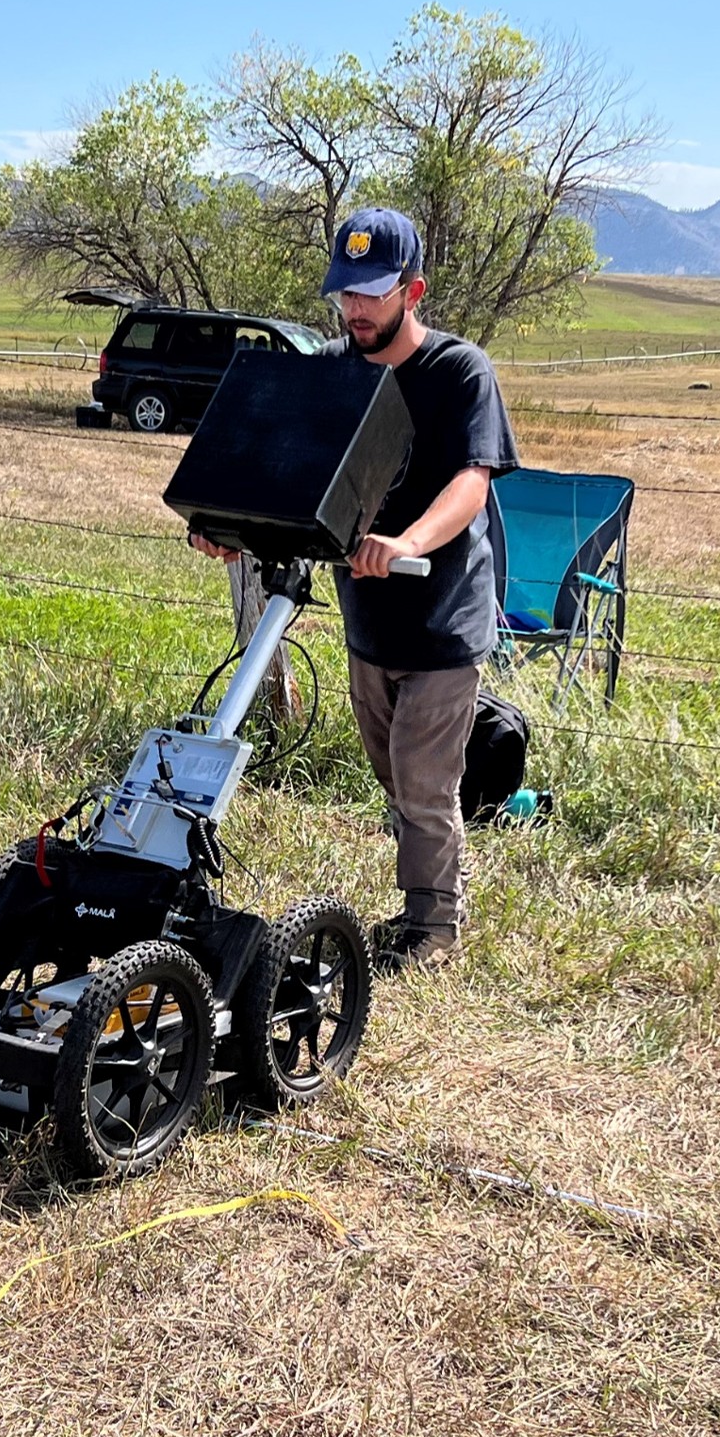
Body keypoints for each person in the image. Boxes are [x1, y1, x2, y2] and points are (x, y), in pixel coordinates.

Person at [193, 208, 518, 972]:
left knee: (422, 782)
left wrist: (407, 542)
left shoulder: (458, 371)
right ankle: (429, 894)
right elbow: (288, 470)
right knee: (395, 777)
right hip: (368, 619)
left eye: (372, 293)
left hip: (442, 617)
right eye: (346, 292)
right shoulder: (333, 369)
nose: (355, 309)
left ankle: (433, 928)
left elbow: (471, 483)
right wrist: (230, 525)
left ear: (413, 291)